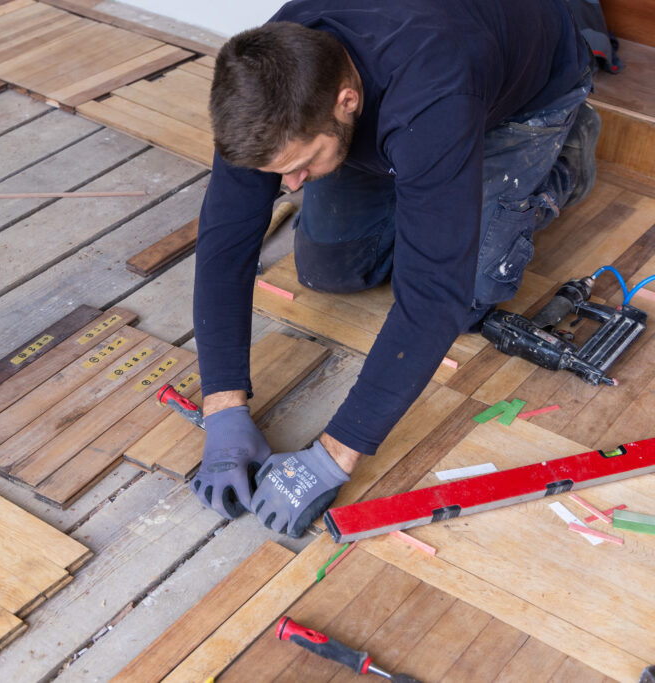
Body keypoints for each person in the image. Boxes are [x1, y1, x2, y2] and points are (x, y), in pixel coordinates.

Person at [190, 0, 599, 536]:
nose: (291, 186)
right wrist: (222, 405)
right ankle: (419, 170)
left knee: (470, 292)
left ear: (346, 100)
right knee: (331, 269)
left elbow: (433, 295)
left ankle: (565, 153)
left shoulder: (437, 88)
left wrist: (335, 455)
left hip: (521, 95)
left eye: (299, 167)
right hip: (410, 110)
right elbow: (225, 243)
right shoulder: (268, 80)